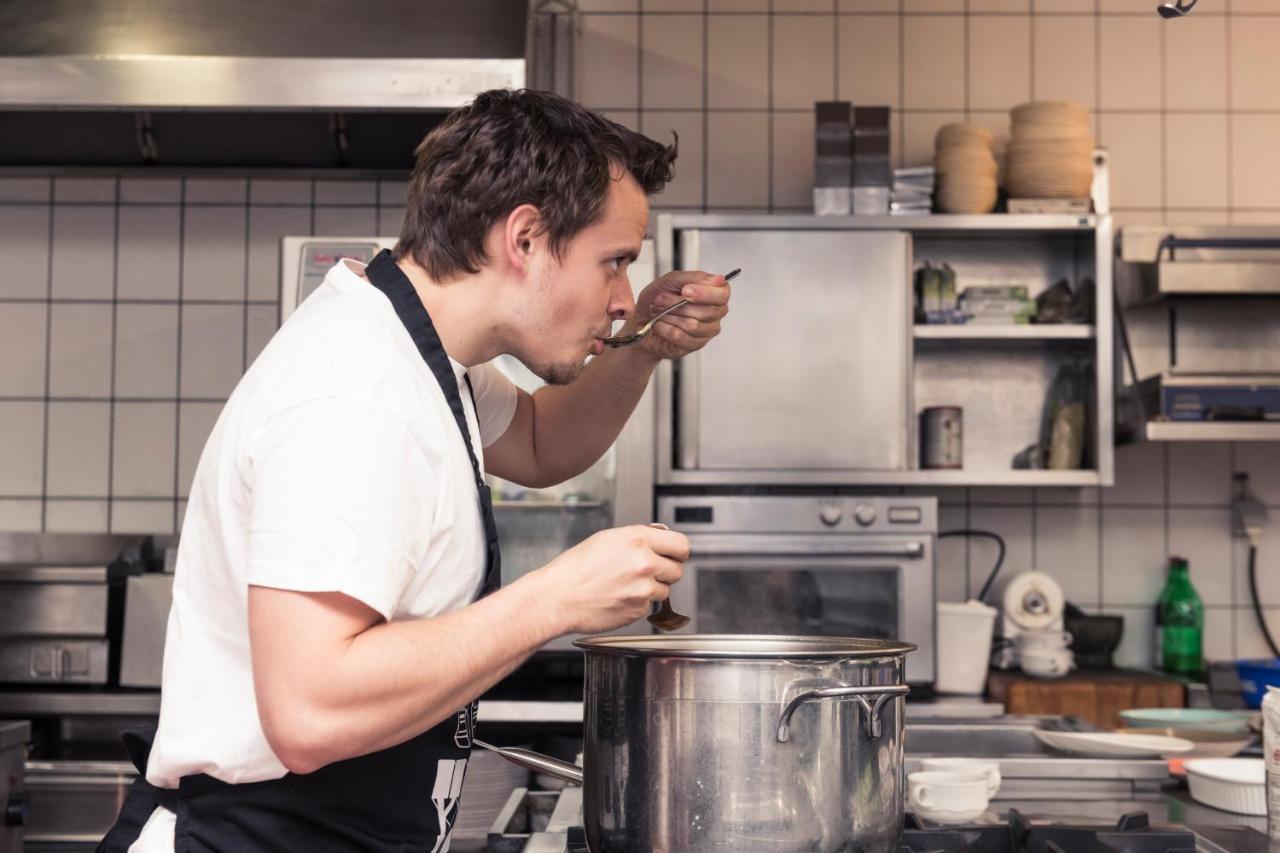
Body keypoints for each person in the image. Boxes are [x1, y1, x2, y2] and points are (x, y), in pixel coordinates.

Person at [97, 88, 732, 852]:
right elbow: (309, 710)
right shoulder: (355, 390)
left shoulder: (423, 352)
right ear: (525, 238)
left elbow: (539, 443)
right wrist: (557, 597)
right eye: (615, 262)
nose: (625, 300)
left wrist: (649, 348)